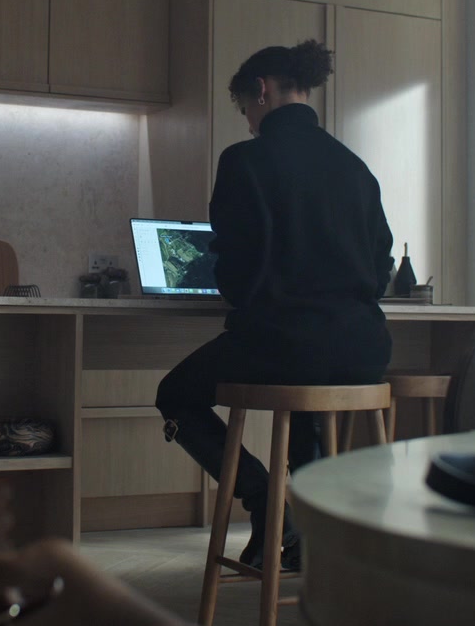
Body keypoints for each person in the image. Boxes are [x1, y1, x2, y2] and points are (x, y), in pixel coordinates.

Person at [155, 39, 394, 571]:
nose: (247, 123)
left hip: (285, 344)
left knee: (175, 394)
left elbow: (236, 269)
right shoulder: (354, 167)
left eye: (245, 108)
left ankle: (265, 504)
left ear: (260, 91)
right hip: (363, 351)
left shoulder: (245, 161)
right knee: (308, 398)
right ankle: (308, 535)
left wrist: (254, 297)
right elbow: (380, 265)